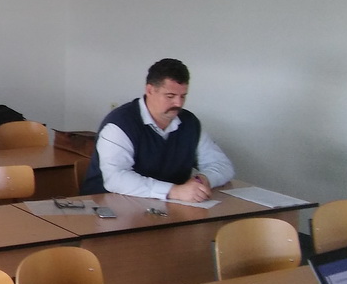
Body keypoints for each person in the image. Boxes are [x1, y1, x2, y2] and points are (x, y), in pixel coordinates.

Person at [81, 58, 234, 202]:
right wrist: (174, 191)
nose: (178, 103)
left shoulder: (189, 123)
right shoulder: (120, 124)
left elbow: (222, 165)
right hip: (111, 206)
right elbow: (116, 179)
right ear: (150, 90)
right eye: (170, 96)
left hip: (168, 208)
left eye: (183, 96)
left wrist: (201, 180)